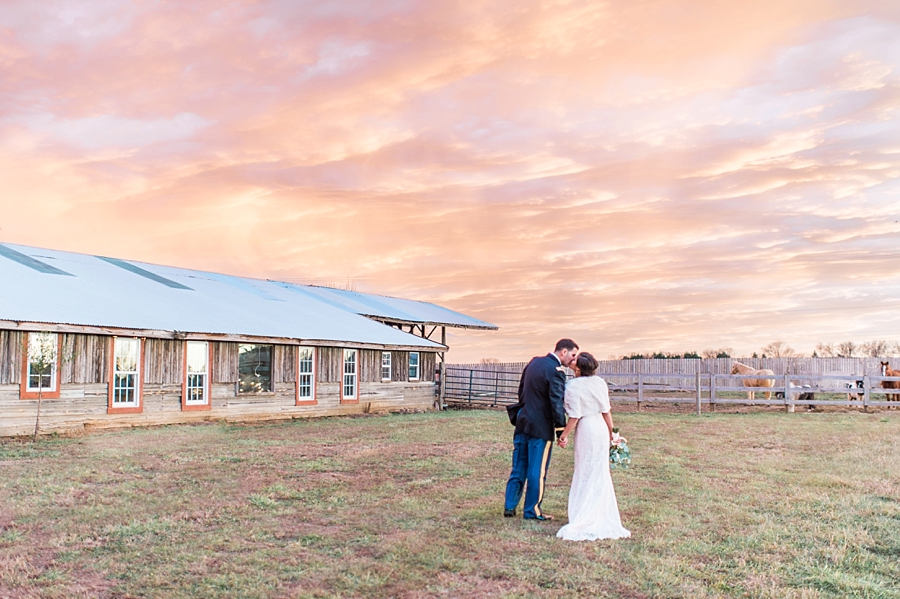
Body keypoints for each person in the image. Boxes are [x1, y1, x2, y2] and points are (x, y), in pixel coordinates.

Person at [556, 351, 630, 540]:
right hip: (600, 429)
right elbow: (606, 411)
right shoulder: (600, 383)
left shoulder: (572, 386)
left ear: (579, 368)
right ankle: (599, 510)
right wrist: (613, 433)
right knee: (599, 470)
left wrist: (563, 436)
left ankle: (584, 512)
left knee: (585, 469)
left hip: (587, 429)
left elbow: (574, 416)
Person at [503, 339, 579, 520]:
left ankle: (509, 506)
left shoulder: (534, 362)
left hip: (523, 421)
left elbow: (521, 391)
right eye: (573, 355)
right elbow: (556, 403)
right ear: (563, 352)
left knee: (518, 467)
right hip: (541, 427)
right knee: (537, 471)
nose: (573, 360)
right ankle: (532, 511)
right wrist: (561, 431)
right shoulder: (556, 371)